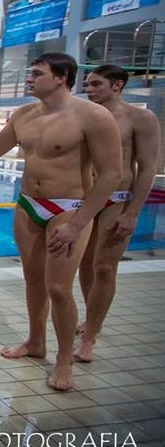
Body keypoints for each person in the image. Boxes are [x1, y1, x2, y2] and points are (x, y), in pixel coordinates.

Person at [0, 52, 121, 391]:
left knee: (58, 288)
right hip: (28, 204)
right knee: (33, 280)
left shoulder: (92, 116)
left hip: (68, 208)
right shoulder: (24, 114)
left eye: (37, 73)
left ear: (61, 77)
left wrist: (78, 224)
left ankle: (65, 359)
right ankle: (35, 342)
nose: (28, 78)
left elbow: (111, 174)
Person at [75, 64, 160, 362]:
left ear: (117, 85)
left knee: (105, 268)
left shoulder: (140, 118)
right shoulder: (84, 115)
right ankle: (90, 318)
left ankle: (90, 338)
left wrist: (132, 213)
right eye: (88, 84)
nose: (90, 89)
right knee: (85, 266)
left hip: (118, 200)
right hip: (85, 201)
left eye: (97, 84)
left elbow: (148, 169)